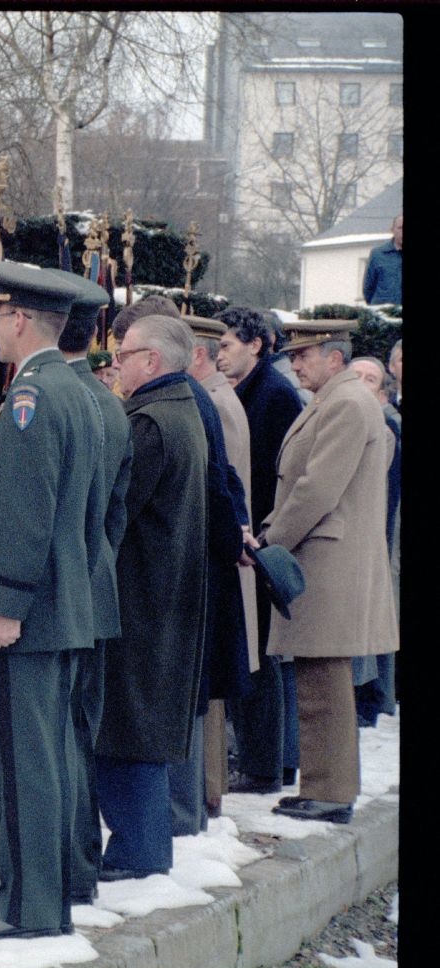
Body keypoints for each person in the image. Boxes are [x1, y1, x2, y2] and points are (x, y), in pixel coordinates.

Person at [0, 261, 99, 942]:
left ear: (18, 320)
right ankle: (53, 890)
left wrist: (4, 603)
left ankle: (24, 907)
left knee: (21, 763)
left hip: (26, 613)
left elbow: (26, 512)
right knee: (51, 757)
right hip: (63, 604)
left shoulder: (35, 397)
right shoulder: (75, 390)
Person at [259, 320, 398, 824]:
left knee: (324, 682)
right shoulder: (341, 400)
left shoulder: (343, 403)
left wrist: (270, 540)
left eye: (304, 355)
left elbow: (318, 489)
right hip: (328, 557)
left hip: (328, 560)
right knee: (321, 680)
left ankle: (331, 791)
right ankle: (324, 786)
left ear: (334, 358)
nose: (294, 364)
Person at [96, 314, 206, 880]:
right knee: (138, 725)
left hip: (141, 602)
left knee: (126, 727)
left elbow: (115, 511)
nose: (116, 360)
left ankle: (139, 856)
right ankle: (144, 850)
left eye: (125, 351)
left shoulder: (150, 423)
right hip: (164, 598)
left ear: (153, 362)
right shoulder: (180, 410)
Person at [49, 268, 130, 904]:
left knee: (60, 735)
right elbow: (114, 515)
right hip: (96, 582)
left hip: (60, 592)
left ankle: (70, 866)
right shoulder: (107, 401)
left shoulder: (55, 397)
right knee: (81, 729)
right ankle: (80, 859)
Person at [217, 305, 304, 795]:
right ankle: (269, 762)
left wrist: (260, 535)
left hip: (258, 542)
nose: (221, 353)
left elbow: (276, 476)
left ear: (255, 345)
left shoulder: (272, 396)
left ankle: (266, 765)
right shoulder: (253, 390)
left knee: (262, 657)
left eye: (228, 344)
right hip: (252, 538)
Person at [180, 315, 258, 827]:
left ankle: (209, 788)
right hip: (219, 554)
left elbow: (223, 482)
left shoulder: (211, 401)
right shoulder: (211, 395)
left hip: (215, 558)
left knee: (208, 685)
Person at [349, 355, 401, 726]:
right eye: (357, 376)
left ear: (381, 393)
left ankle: (372, 698)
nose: (363, 383)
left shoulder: (384, 430)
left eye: (371, 379)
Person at [363, 214, 402, 306]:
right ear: (392, 230)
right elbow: (368, 288)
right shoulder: (378, 254)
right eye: (401, 228)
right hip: (383, 314)